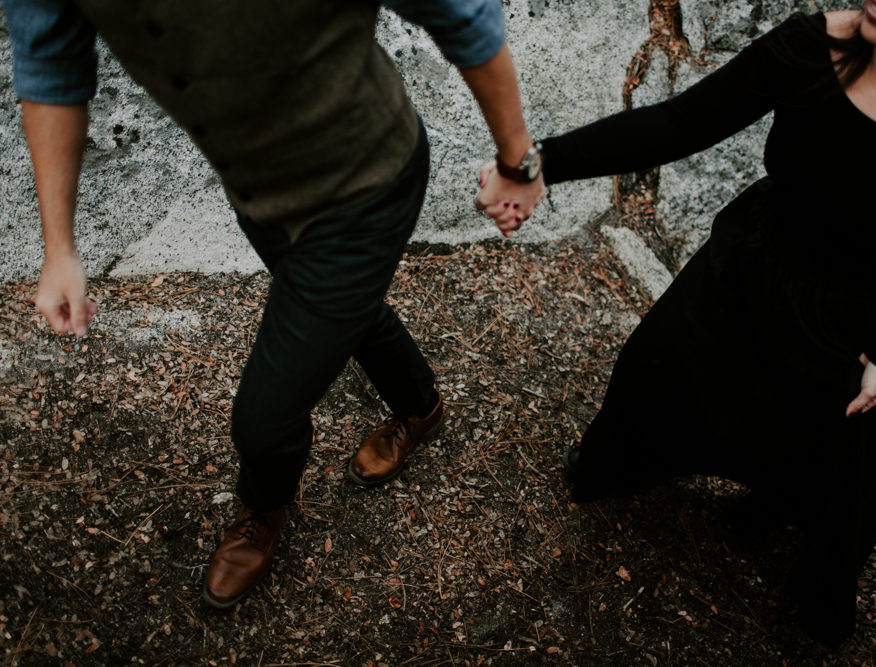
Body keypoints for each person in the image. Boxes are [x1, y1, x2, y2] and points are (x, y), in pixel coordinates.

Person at [481, 0, 876, 646]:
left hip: (866, 322)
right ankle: (631, 460)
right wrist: (535, 165)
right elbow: (677, 122)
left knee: (832, 466)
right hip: (757, 262)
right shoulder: (815, 46)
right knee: (654, 370)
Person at [2, 0, 545, 609]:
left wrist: (517, 162)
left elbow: (462, 13)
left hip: (367, 187)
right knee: (348, 311)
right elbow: (50, 63)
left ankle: (262, 510)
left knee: (263, 421)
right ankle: (421, 405)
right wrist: (59, 247)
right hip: (259, 193)